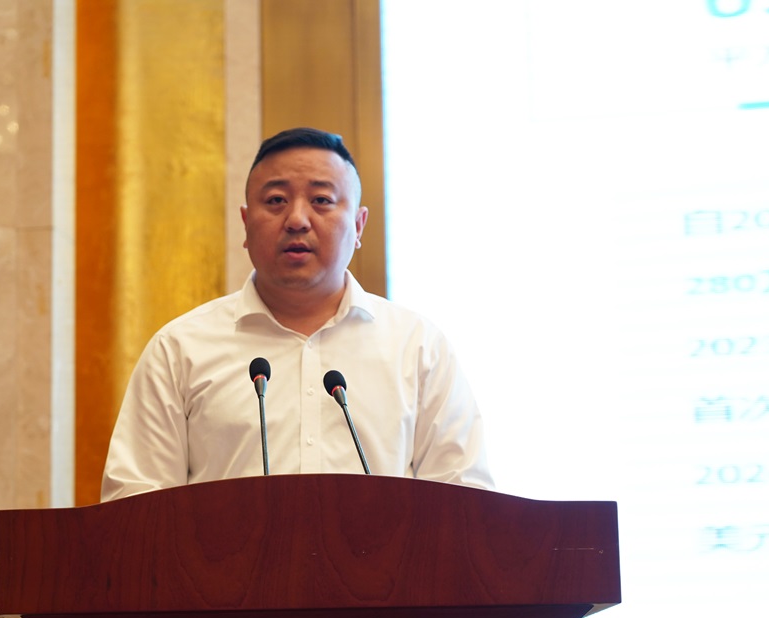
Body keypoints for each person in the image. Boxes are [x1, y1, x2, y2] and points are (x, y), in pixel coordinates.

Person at [101, 128, 493, 500]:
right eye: (276, 201)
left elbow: (466, 502)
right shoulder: (180, 349)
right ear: (246, 224)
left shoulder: (418, 347)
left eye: (321, 200)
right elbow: (136, 503)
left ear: (358, 225)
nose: (297, 220)